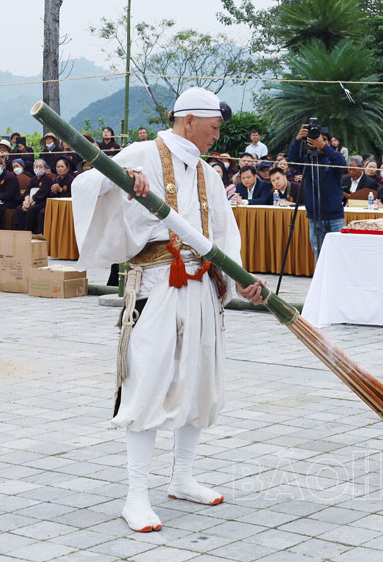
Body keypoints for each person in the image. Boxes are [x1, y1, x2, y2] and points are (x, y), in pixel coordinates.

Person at [72, 86, 264, 533]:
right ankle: (135, 495)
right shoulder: (140, 150)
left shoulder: (208, 173)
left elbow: (224, 231)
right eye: (214, 128)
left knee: (196, 380)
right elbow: (85, 183)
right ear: (189, 120)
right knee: (149, 381)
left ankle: (182, 476)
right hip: (156, 283)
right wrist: (122, 179)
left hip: (201, 287)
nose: (217, 136)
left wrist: (239, 277)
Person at [286, 123, 348, 258]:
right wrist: (297, 140)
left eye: (324, 140)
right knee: (319, 254)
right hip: (315, 217)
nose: (320, 142)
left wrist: (323, 147)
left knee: (339, 254)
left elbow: (342, 164)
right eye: (317, 139)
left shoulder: (333, 159)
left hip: (335, 216)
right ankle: (322, 280)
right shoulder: (308, 160)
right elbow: (291, 160)